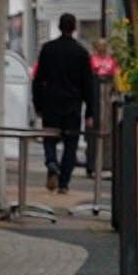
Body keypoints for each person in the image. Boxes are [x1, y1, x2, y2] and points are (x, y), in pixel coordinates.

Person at [32, 14, 95, 194]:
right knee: (71, 144)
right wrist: (90, 112)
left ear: (59, 27)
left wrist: (38, 105)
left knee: (49, 138)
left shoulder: (48, 49)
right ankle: (64, 184)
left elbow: (38, 79)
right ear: (74, 28)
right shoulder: (81, 52)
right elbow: (88, 84)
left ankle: (51, 162)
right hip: (72, 105)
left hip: (50, 103)